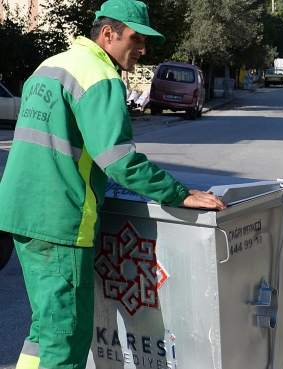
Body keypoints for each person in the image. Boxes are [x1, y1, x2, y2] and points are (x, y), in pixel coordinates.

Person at [0, 1, 227, 368]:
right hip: (60, 223)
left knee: (45, 329)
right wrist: (180, 193)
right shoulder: (99, 76)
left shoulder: (49, 67)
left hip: (22, 215)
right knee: (67, 337)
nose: (142, 50)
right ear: (109, 34)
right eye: (135, 39)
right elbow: (118, 160)